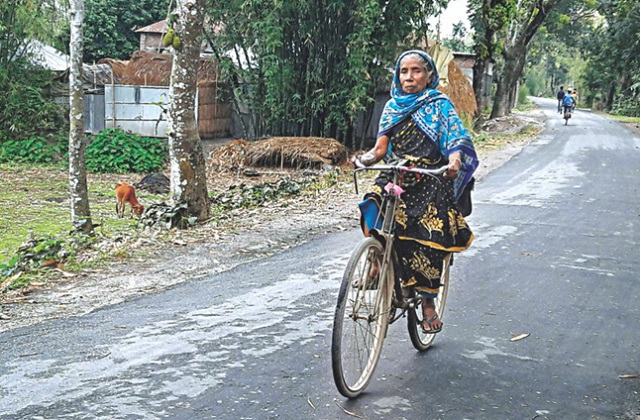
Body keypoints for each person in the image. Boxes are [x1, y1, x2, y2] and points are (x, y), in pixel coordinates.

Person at [355, 50, 478, 334]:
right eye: (404, 71)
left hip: (430, 176)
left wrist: (454, 161)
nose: (409, 77)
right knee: (372, 205)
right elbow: (380, 150)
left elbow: (456, 139)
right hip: (397, 171)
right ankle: (376, 260)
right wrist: (363, 161)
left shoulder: (439, 104)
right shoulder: (392, 106)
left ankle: (428, 302)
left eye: (416, 71)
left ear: (429, 75)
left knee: (427, 236)